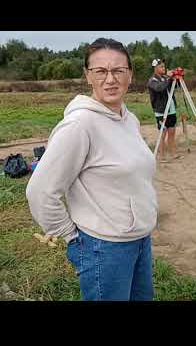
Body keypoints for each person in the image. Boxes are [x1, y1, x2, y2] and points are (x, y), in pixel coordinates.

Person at [26, 38, 158, 301]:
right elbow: (40, 192)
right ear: (88, 76)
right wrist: (73, 240)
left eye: (118, 70)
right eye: (101, 71)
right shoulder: (80, 124)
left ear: (130, 75)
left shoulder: (128, 119)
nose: (111, 79)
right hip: (103, 248)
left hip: (140, 240)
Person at [147, 59, 182, 163]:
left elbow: (174, 87)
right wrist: (169, 77)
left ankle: (172, 153)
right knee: (163, 133)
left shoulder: (165, 78)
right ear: (156, 68)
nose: (164, 68)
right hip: (161, 110)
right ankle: (161, 156)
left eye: (164, 66)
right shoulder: (152, 80)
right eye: (162, 67)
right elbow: (160, 88)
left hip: (171, 109)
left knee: (172, 132)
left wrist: (178, 77)